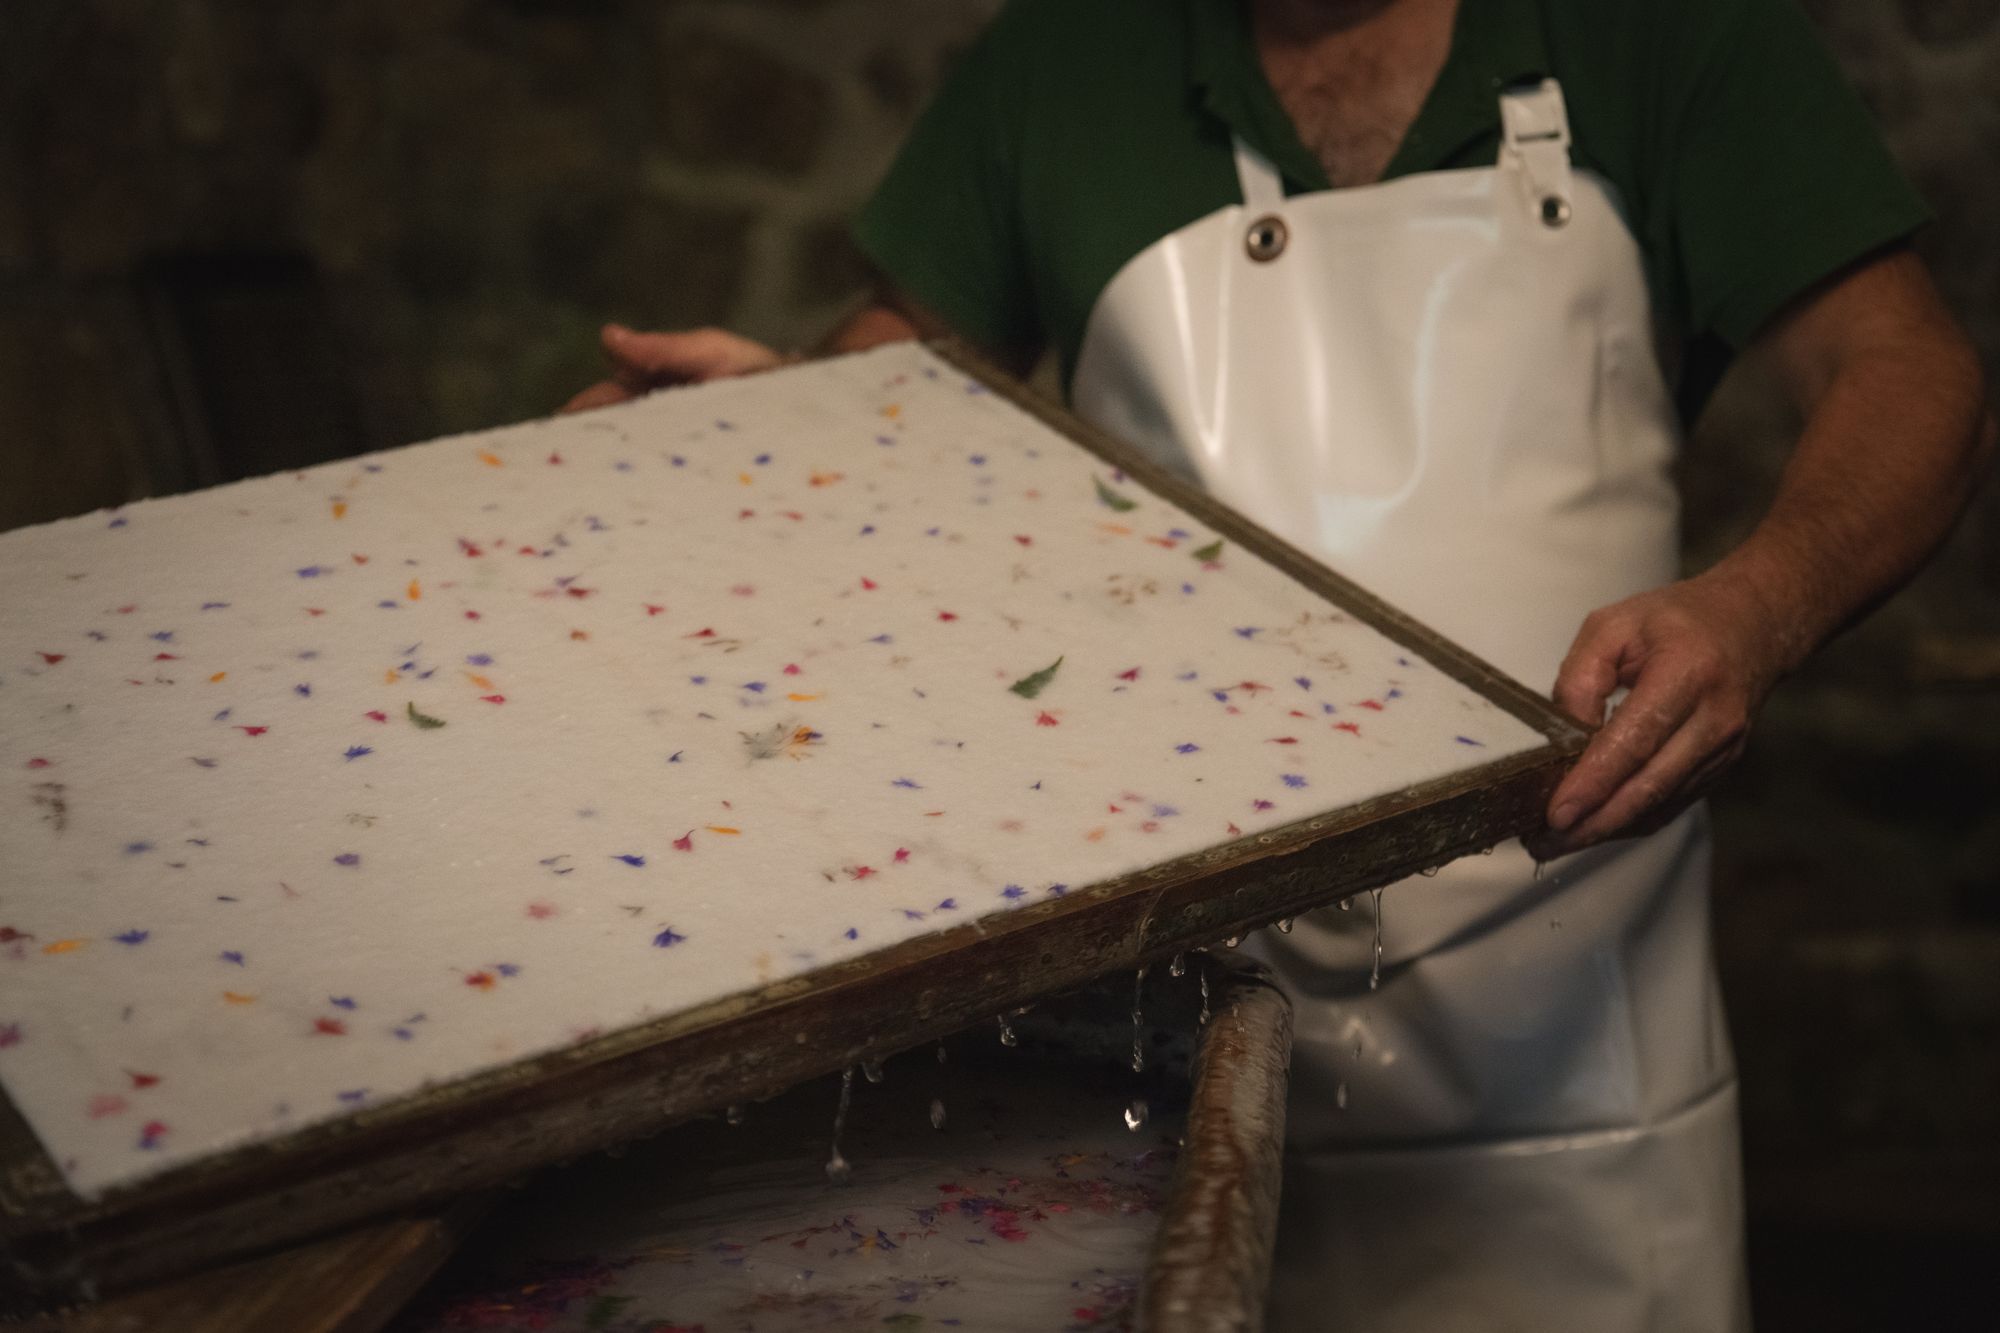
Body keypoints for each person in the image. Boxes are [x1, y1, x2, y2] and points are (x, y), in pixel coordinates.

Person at [567, 1, 1994, 1327]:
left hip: (1578, 1064)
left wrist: (1758, 604)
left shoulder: (1660, 31)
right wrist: (751, 434)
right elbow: (891, 392)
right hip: (1175, 1038)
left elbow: (1906, 367)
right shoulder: (1058, 66)